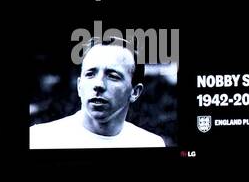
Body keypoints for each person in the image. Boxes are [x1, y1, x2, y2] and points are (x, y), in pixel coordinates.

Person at [29, 39, 166, 149]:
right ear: (79, 86)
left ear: (135, 92)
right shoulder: (39, 139)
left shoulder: (150, 144)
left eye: (112, 76)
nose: (98, 84)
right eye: (90, 74)